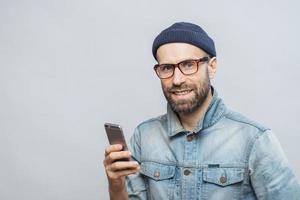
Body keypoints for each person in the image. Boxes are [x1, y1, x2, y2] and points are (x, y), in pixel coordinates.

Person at [103, 22, 300, 199]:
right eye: (166, 68)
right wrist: (116, 184)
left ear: (212, 67)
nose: (177, 79)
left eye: (189, 65)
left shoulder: (255, 139)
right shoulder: (143, 136)